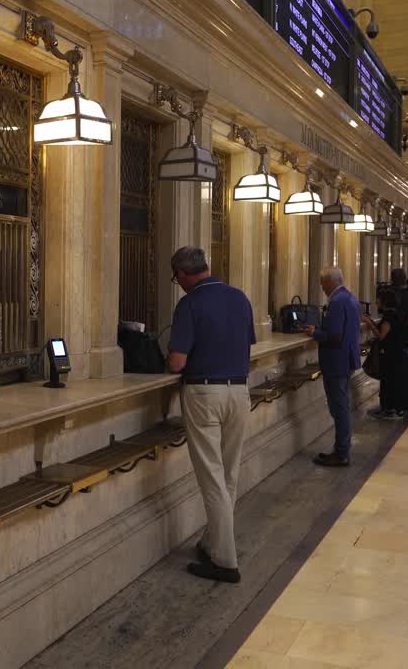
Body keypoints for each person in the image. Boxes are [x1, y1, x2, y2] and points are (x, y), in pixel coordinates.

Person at [165, 246, 256, 583]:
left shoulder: (190, 304)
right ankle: (213, 541)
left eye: (176, 278)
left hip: (204, 393)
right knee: (228, 474)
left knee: (211, 477)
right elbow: (247, 342)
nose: (178, 284)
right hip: (239, 391)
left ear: (183, 273)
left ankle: (225, 561)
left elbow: (177, 362)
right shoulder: (239, 297)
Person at [302, 267, 361, 468]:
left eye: (322, 283)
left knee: (339, 408)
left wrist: (315, 333)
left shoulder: (336, 302)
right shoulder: (351, 298)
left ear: (330, 282)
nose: (322, 287)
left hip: (336, 361)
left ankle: (341, 452)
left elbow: (335, 335)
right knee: (342, 405)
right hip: (347, 359)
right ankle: (341, 449)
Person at [364, 288, 404, 420]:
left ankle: (387, 409)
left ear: (384, 301)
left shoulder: (388, 317)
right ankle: (390, 408)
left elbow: (382, 336)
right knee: (391, 381)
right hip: (395, 353)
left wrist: (370, 324)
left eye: (378, 299)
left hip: (389, 354)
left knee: (387, 381)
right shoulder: (395, 314)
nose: (376, 301)